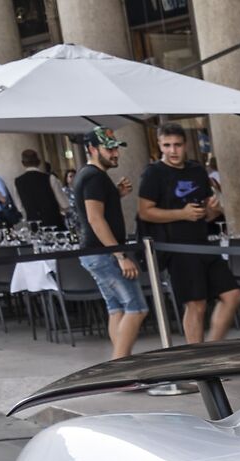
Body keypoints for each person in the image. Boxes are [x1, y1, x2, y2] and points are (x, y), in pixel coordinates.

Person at [136, 125, 240, 345]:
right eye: (167, 145)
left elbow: (207, 214)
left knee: (232, 295)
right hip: (177, 247)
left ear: (186, 145)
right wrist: (181, 214)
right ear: (160, 145)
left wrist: (214, 209)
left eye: (177, 145)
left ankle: (211, 350)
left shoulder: (197, 170)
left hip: (202, 242)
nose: (172, 150)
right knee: (196, 304)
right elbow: (145, 212)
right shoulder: (154, 173)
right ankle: (198, 359)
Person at [73, 128, 147, 361]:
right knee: (136, 308)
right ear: (92, 149)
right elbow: (95, 219)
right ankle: (120, 366)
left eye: (116, 148)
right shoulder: (94, 177)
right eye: (109, 148)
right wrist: (120, 255)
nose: (115, 153)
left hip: (96, 252)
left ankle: (119, 364)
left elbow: (94, 211)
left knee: (116, 309)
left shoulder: (90, 175)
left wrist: (115, 194)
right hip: (103, 253)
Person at [13, 149, 62, 230]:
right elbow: (63, 203)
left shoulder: (18, 182)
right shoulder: (50, 178)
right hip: (54, 221)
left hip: (34, 223)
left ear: (23, 163)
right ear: (39, 162)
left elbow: (19, 207)